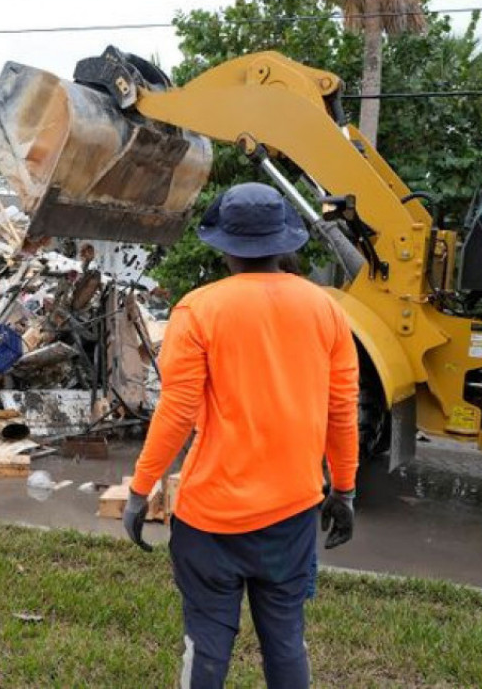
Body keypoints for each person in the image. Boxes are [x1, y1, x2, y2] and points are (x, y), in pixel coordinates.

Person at [122, 183, 359, 689]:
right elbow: (342, 411)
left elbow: (176, 413)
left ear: (225, 246)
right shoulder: (328, 311)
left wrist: (140, 490)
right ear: (284, 243)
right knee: (286, 643)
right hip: (291, 515)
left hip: (210, 520)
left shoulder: (198, 310)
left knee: (206, 645)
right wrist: (344, 489)